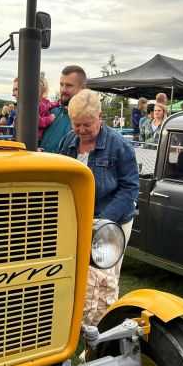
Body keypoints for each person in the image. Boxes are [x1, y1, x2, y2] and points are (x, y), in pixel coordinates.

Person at [58, 89, 139, 326]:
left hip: (112, 223)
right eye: (77, 124)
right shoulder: (67, 142)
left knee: (104, 280)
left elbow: (130, 190)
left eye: (87, 124)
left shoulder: (119, 146)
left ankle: (102, 330)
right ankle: (76, 323)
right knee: (76, 275)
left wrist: (102, 221)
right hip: (78, 220)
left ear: (99, 117)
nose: (81, 130)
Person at [39, 65, 87, 153]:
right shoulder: (51, 113)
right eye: (61, 85)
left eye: (69, 85)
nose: (63, 90)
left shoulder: (88, 121)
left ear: (82, 89)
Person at [37, 75, 59, 141]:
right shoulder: (34, 104)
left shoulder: (45, 102)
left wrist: (58, 103)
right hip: (35, 137)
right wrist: (50, 119)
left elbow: (51, 104)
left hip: (41, 136)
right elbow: (37, 121)